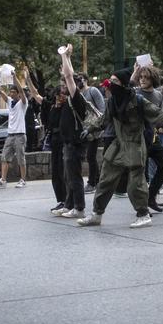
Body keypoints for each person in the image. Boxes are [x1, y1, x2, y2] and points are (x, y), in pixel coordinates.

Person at [76, 65, 163, 229]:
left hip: (135, 145)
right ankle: (96, 214)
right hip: (118, 145)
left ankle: (143, 215)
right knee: (105, 181)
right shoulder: (113, 102)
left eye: (114, 81)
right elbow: (104, 120)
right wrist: (89, 128)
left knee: (136, 184)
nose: (110, 84)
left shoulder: (138, 100)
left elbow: (159, 115)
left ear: (124, 84)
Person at [130, 63, 163, 213]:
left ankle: (150, 197)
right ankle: (142, 207)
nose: (142, 80)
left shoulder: (158, 94)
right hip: (138, 138)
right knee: (142, 174)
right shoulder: (135, 93)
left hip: (153, 137)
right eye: (141, 77)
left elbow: (161, 114)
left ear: (153, 79)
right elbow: (127, 87)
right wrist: (135, 71)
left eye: (146, 77)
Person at [54, 45, 87, 219]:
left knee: (74, 177)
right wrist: (67, 59)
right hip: (68, 142)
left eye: (65, 84)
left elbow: (68, 76)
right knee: (69, 177)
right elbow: (68, 75)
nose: (63, 86)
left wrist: (64, 56)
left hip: (75, 143)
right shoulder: (69, 100)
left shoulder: (76, 98)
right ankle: (69, 205)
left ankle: (79, 208)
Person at [0, 69, 28, 188]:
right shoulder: (10, 102)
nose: (11, 94)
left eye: (13, 92)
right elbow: (0, 91)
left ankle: (22, 180)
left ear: (18, 94)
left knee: (21, 158)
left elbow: (22, 90)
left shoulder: (23, 103)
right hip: (10, 134)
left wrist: (15, 78)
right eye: (10, 92)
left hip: (20, 134)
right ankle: (3, 180)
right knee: (5, 157)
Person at [77, 73, 105, 194]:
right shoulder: (77, 94)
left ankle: (92, 182)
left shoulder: (93, 91)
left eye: (81, 79)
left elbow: (102, 109)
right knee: (89, 156)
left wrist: (97, 125)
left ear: (86, 80)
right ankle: (97, 181)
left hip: (94, 129)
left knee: (90, 156)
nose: (79, 81)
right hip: (84, 129)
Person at [46, 86, 68, 215]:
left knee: (63, 171)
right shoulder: (52, 108)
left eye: (63, 95)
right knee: (55, 172)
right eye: (59, 95)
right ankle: (60, 200)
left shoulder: (67, 108)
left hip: (64, 142)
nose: (61, 97)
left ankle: (67, 200)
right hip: (55, 142)